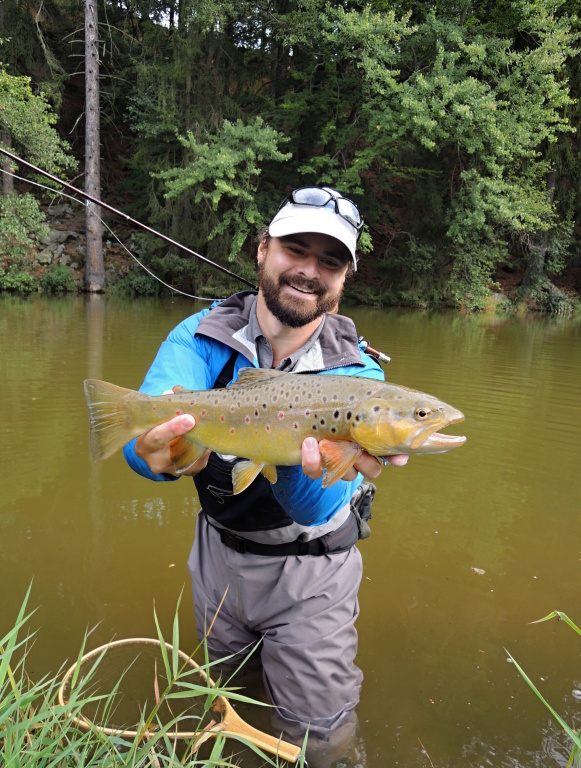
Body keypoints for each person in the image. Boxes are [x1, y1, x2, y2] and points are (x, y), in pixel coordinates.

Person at [122, 186, 408, 765]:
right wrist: (151, 455)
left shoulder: (360, 375)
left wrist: (305, 468)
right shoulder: (201, 336)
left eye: (329, 261)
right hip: (217, 557)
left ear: (345, 279)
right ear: (262, 250)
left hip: (314, 573)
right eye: (294, 250)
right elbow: (144, 422)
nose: (308, 271)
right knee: (220, 697)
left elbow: (313, 510)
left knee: (318, 734)